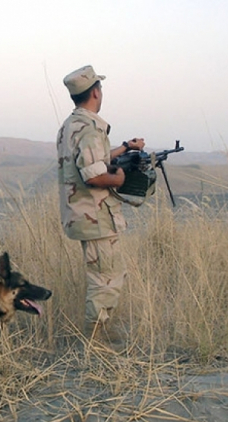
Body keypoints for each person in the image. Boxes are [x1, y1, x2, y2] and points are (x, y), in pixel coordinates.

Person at [57, 65, 145, 351]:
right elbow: (94, 175)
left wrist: (123, 148)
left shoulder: (72, 125)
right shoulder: (91, 128)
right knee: (105, 280)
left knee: (103, 276)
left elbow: (92, 157)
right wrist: (119, 179)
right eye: (101, 88)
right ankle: (94, 343)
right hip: (95, 217)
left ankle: (98, 336)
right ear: (95, 92)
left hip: (83, 216)